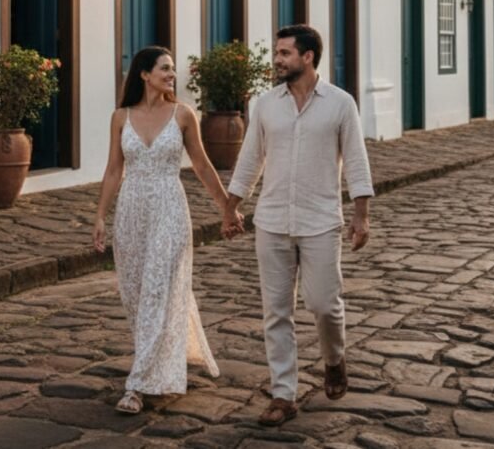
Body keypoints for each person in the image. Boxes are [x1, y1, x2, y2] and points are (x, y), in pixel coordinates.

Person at [222, 24, 373, 427]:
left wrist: (361, 214)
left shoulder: (340, 104)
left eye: (285, 53)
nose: (277, 59)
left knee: (324, 304)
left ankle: (334, 359)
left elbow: (356, 160)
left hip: (320, 220)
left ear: (307, 57)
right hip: (271, 220)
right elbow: (250, 158)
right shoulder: (265, 105)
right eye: (277, 52)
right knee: (276, 311)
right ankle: (283, 394)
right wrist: (231, 206)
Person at [92, 46, 241, 414]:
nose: (172, 74)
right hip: (131, 213)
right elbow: (113, 169)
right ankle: (158, 359)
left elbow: (202, 165)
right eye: (165, 68)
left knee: (158, 290)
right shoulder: (120, 117)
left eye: (172, 69)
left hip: (170, 210)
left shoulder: (183, 115)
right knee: (137, 296)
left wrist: (227, 208)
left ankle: (137, 386)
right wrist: (100, 216)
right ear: (144, 74)